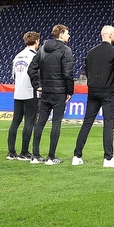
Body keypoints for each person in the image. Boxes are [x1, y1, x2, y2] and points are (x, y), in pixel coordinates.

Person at [73, 25, 114, 167]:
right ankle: (108, 158)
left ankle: (77, 156)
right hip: (108, 92)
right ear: (110, 35)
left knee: (87, 122)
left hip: (93, 91)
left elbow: (87, 71)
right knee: (108, 123)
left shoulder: (91, 52)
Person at [28, 24, 74, 165]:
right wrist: (69, 91)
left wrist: (37, 86)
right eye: (67, 33)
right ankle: (51, 156)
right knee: (56, 123)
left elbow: (31, 69)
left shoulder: (42, 49)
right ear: (61, 35)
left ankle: (35, 155)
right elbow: (67, 73)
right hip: (59, 92)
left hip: (46, 91)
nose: (69, 35)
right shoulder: (66, 50)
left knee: (40, 122)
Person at [7, 32, 39, 160]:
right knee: (29, 122)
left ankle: (11, 152)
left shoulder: (17, 56)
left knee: (15, 121)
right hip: (30, 91)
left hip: (18, 92)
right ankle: (24, 152)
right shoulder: (35, 56)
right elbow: (36, 74)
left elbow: (14, 75)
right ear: (36, 41)